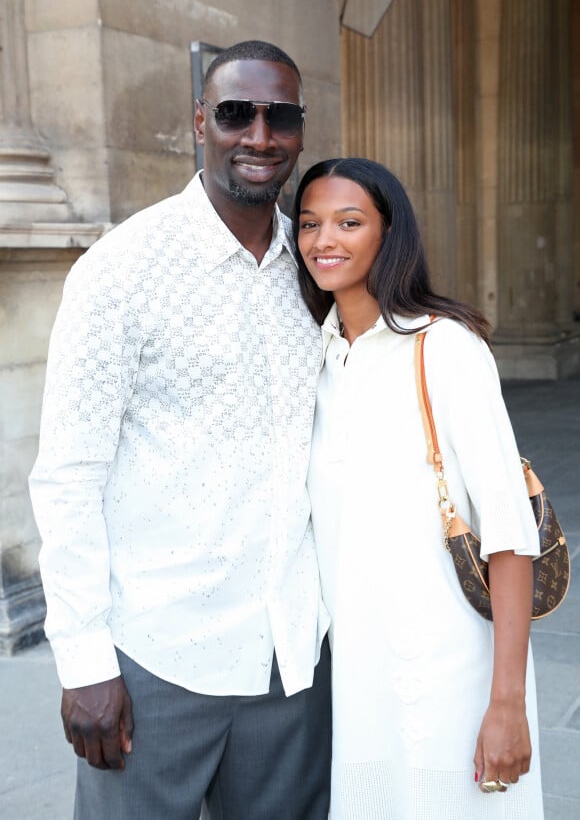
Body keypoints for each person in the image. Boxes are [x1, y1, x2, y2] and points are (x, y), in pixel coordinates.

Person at [28, 40, 331, 820]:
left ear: (300, 129)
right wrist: (84, 660)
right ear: (200, 122)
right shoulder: (122, 270)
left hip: (290, 657)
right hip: (156, 660)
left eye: (281, 116)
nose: (259, 136)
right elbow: (69, 475)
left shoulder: (317, 266)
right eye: (236, 113)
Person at [292, 157, 544, 820]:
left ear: (389, 233)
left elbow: (511, 534)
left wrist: (507, 704)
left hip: (451, 672)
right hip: (357, 675)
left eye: (349, 222)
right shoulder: (314, 356)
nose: (325, 240)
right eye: (310, 223)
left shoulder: (446, 348)